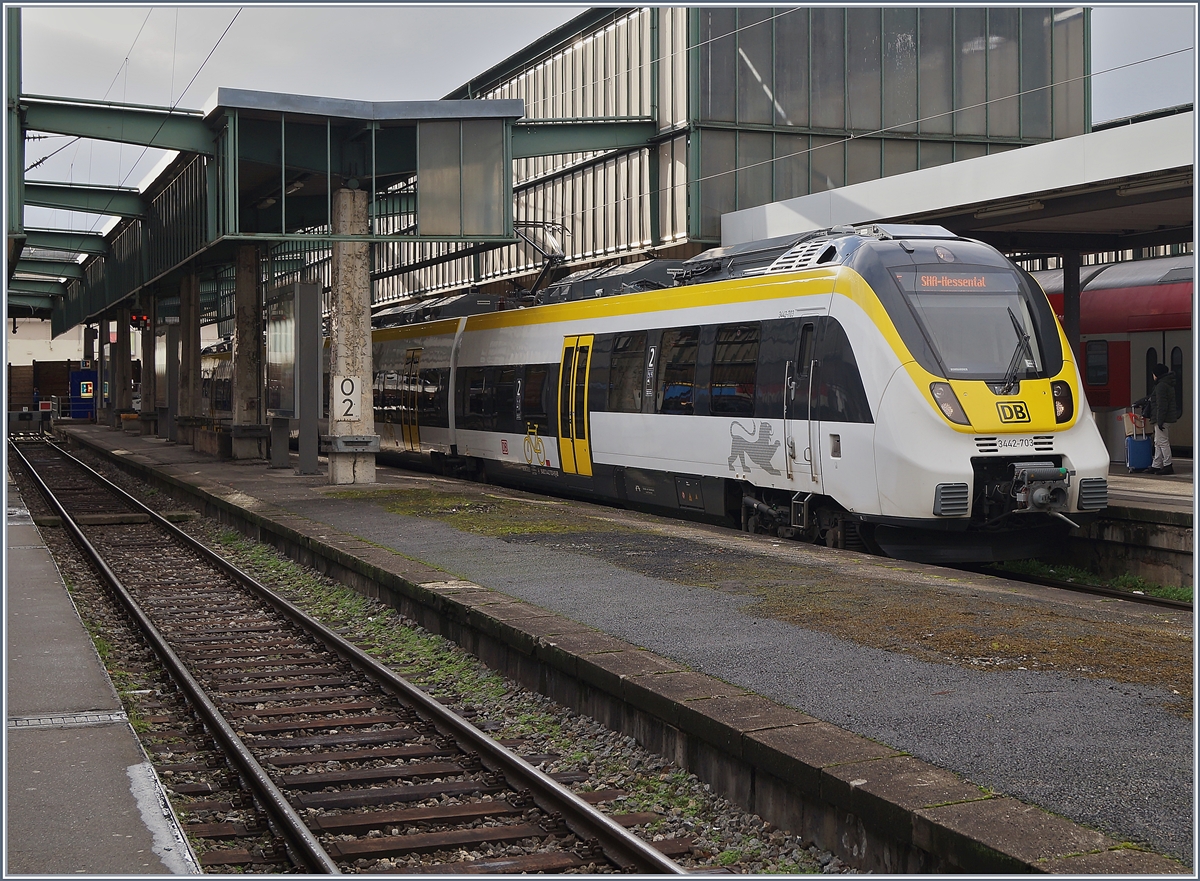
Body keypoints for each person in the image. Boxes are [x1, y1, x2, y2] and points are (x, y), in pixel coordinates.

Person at [1147, 363, 1179, 475]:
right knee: (1158, 442)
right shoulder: (1166, 384)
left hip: (1162, 419)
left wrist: (1159, 421)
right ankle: (1156, 464)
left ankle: (1167, 464)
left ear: (1157, 374)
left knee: (1163, 442)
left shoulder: (1161, 386)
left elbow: (1162, 405)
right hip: (1163, 418)